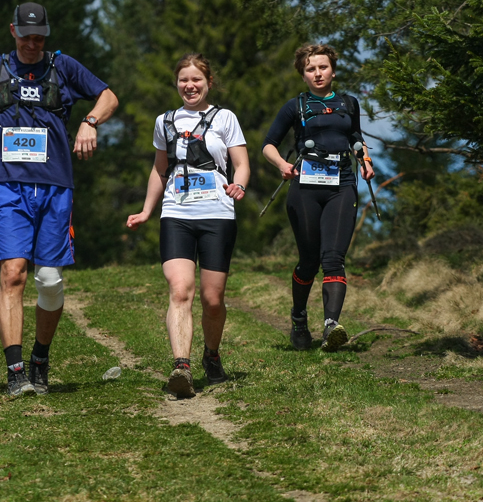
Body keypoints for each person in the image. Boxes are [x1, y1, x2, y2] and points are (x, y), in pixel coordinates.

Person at [0, 2, 118, 397]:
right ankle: (15, 372)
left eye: (39, 38)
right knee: (13, 273)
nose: (33, 44)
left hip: (55, 185)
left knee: (48, 280)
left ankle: (40, 359)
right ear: (12, 31)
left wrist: (90, 122)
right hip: (8, 184)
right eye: (26, 36)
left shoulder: (63, 67)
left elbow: (109, 97)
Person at [126, 54, 249, 398]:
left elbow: (241, 163)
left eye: (196, 80)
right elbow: (159, 169)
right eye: (184, 80)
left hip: (217, 214)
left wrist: (239, 184)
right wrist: (147, 210)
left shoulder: (225, 118)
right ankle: (181, 366)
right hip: (176, 214)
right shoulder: (164, 121)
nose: (190, 86)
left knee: (213, 299)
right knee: (180, 291)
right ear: (176, 83)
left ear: (208, 82)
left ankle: (212, 354)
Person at [261, 44, 374, 352]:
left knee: (334, 258)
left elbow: (356, 138)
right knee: (309, 261)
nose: (318, 73)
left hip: (343, 184)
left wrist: (365, 160)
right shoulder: (295, 106)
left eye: (323, 67)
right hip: (305, 189)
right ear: (303, 75)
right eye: (310, 69)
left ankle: (331, 326)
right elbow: (268, 144)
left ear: (333, 71)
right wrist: (282, 165)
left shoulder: (348, 103)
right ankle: (299, 319)